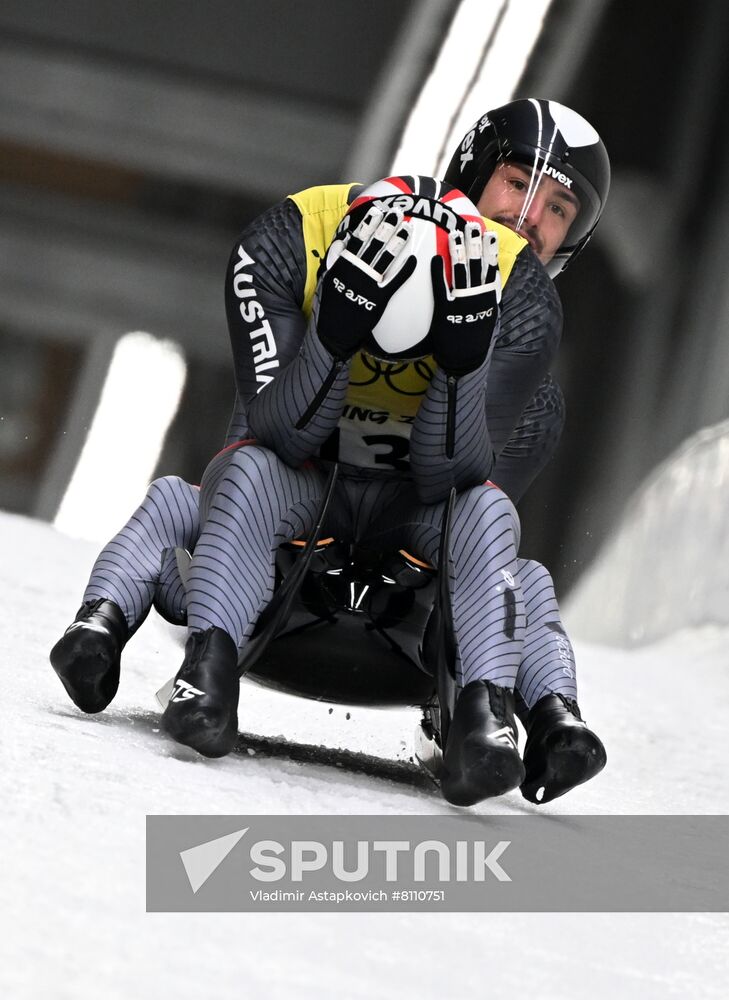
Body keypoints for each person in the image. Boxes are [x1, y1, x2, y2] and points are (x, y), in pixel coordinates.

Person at [50, 99, 609, 806]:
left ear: (569, 240)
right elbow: (278, 434)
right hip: (270, 560)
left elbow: (459, 491)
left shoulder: (527, 315)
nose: (527, 215)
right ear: (471, 173)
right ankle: (117, 633)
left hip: (407, 607)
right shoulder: (296, 239)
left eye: (557, 208)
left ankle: (528, 719)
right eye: (516, 181)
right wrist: (334, 334)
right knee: (192, 495)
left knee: (513, 565)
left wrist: (460, 364)